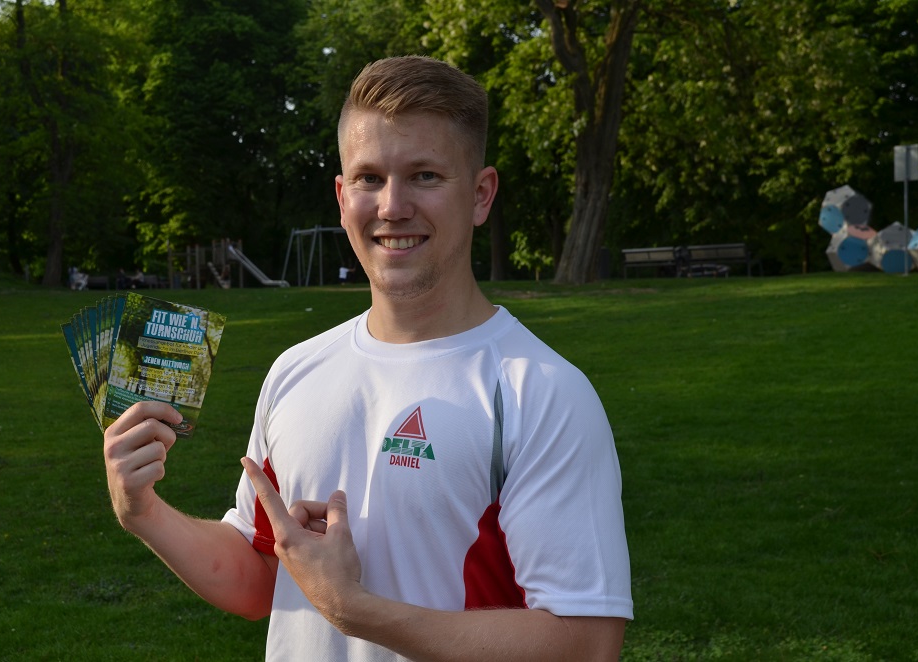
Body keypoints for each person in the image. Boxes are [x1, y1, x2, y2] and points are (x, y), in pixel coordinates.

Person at [103, 55, 633, 660]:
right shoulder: (295, 370)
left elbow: (588, 643)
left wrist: (356, 610)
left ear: (481, 194)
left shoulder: (540, 392)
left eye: (425, 176)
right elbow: (259, 577)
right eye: (370, 178)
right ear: (341, 195)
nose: (392, 206)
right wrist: (143, 511)